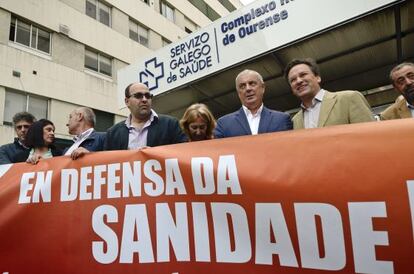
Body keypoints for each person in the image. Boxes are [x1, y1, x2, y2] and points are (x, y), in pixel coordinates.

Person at [284, 58, 375, 129]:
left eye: (303, 74)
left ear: (317, 78)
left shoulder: (349, 98)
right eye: (293, 80)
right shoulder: (295, 121)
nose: (298, 81)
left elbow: (370, 137)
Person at [104, 82, 187, 150]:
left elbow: (183, 152)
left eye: (148, 96)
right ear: (127, 101)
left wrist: (157, 155)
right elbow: (106, 163)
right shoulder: (113, 133)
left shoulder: (170, 124)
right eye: (138, 96)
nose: (144, 99)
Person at [214, 69, 292, 138]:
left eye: (252, 83)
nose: (248, 89)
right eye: (242, 86)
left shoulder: (282, 119)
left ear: (263, 87)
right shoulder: (223, 124)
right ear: (238, 93)